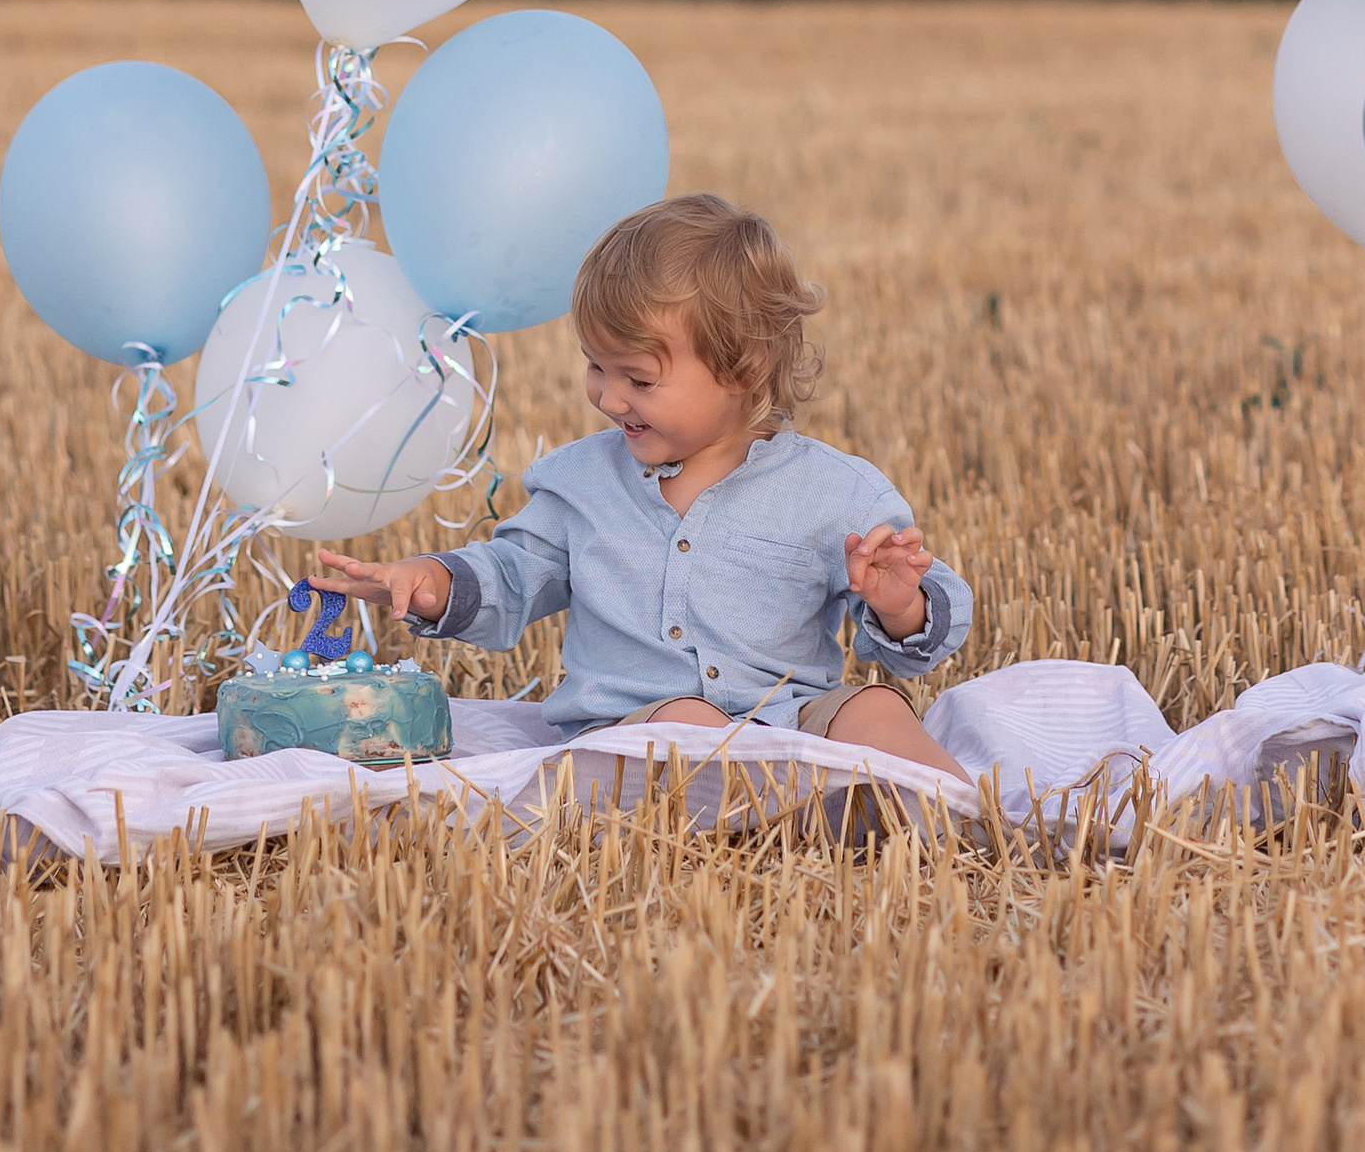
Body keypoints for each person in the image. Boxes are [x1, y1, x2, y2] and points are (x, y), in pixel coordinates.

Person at [307, 190, 971, 772]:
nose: (608, 397)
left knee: (877, 708)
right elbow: (511, 578)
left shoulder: (836, 492)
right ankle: (787, 811)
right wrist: (430, 581)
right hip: (632, 737)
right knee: (684, 728)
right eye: (597, 367)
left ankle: (962, 820)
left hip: (793, 725)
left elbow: (921, 646)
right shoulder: (581, 483)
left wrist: (897, 602)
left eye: (639, 380)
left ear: (744, 366)